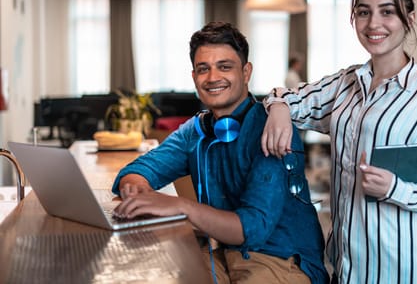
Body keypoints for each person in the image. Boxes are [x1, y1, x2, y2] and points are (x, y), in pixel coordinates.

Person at [260, 0, 417, 284]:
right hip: (348, 268)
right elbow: (287, 98)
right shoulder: (345, 84)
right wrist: (279, 106)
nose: (373, 23)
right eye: (363, 12)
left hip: (406, 270)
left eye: (387, 12)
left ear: (409, 18)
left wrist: (398, 189)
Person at [112, 21, 329, 284]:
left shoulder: (272, 127)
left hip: (279, 260)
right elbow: (136, 171)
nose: (213, 77)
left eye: (225, 67)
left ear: (246, 72)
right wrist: (136, 191)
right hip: (223, 253)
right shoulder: (197, 129)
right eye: (203, 69)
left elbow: (252, 228)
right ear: (194, 77)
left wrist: (180, 206)